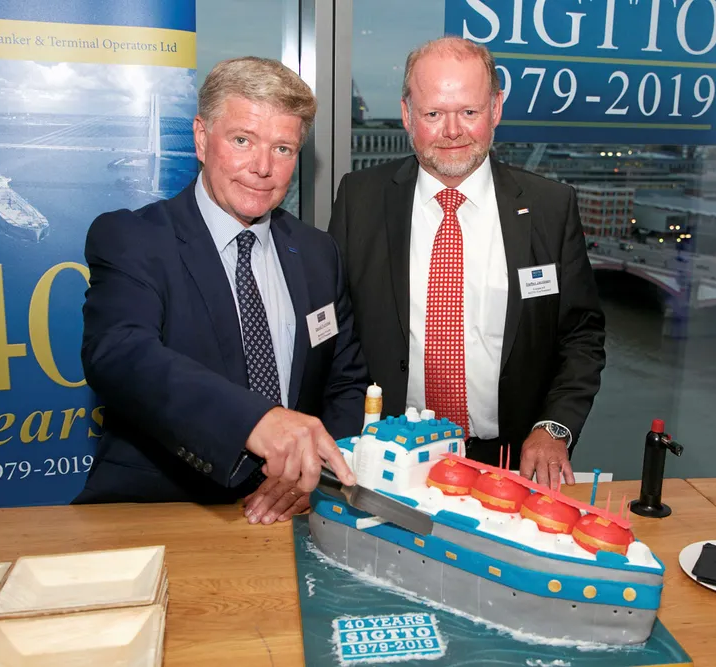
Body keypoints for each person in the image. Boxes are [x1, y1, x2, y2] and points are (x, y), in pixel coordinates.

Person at [76, 56, 365, 523]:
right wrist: (253, 421)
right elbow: (120, 353)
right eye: (242, 140)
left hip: (296, 515)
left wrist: (317, 472)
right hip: (163, 511)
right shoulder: (135, 239)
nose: (263, 167)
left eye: (283, 149)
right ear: (201, 138)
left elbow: (345, 382)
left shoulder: (318, 253)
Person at [328, 37, 606, 487]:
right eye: (433, 114)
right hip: (389, 457)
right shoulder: (358, 199)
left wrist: (554, 427)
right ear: (407, 115)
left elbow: (581, 337)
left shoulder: (549, 207)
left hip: (510, 460)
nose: (452, 131)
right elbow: (336, 336)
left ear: (495, 109)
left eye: (469, 112)